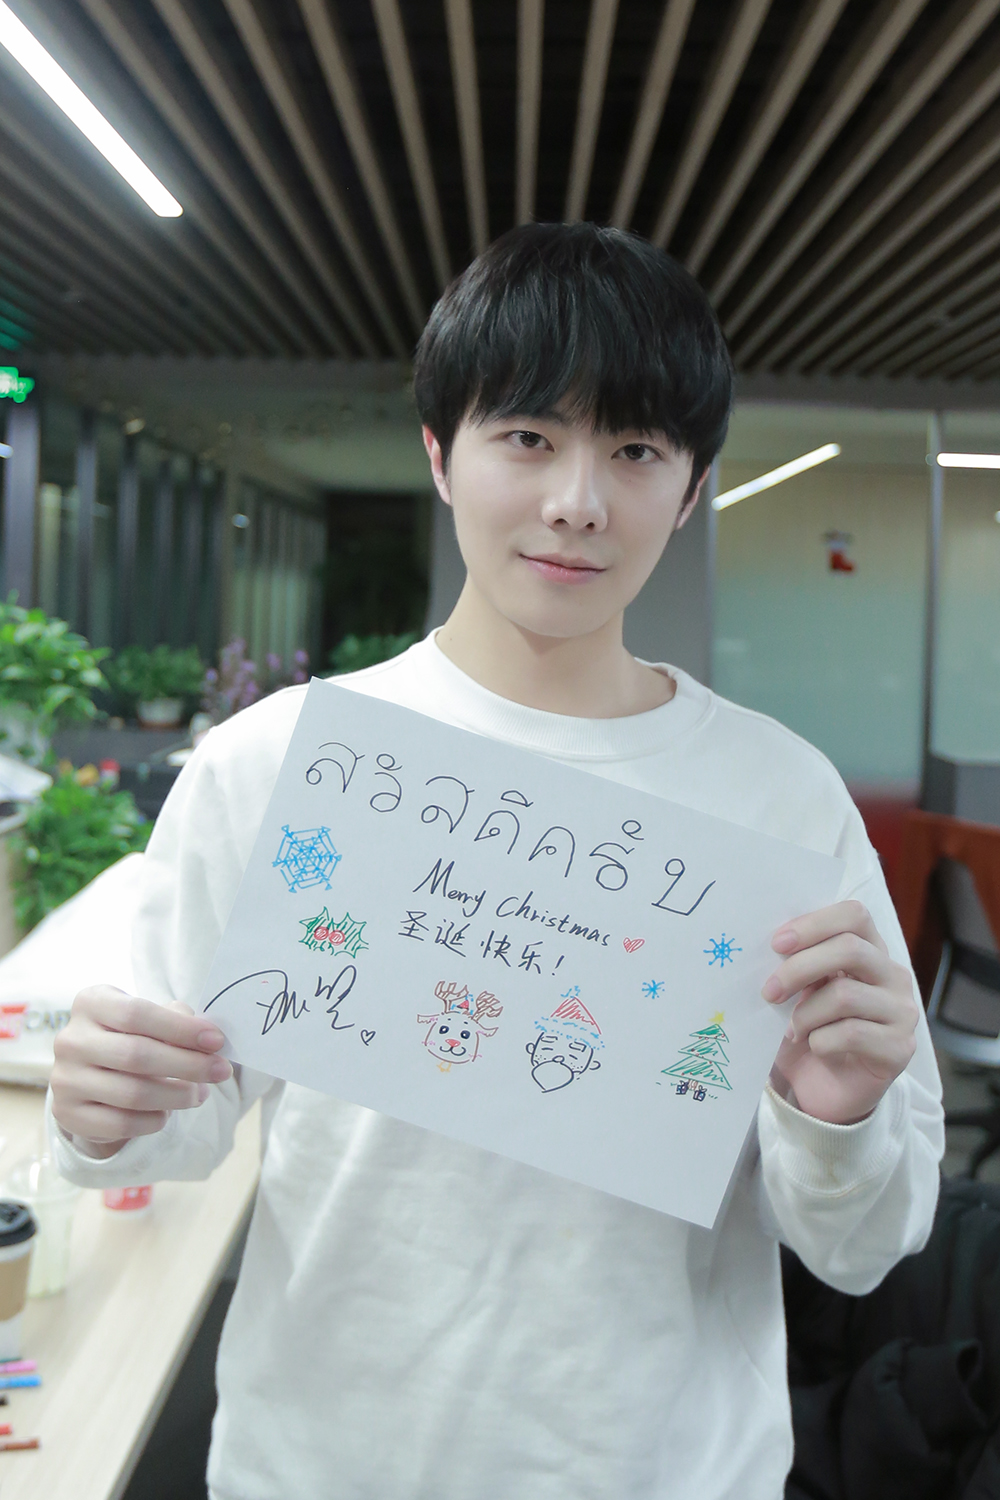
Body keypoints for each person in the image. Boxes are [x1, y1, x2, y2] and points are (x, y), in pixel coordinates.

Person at [48, 223, 942, 1500]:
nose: (577, 499)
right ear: (440, 453)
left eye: (635, 450)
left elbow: (862, 1249)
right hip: (321, 1464)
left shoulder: (782, 800)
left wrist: (835, 1113)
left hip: (663, 1472)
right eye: (527, 436)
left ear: (690, 488)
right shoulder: (277, 763)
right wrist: (106, 1108)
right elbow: (177, 1127)